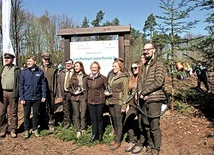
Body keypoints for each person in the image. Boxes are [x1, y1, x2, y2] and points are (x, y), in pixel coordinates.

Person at [138, 43, 166, 155]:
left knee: (154, 125)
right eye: (144, 50)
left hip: (155, 99)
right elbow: (140, 81)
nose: (145, 52)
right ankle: (150, 145)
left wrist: (144, 92)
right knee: (146, 125)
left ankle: (156, 148)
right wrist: (140, 92)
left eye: (148, 49)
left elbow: (158, 81)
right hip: (143, 100)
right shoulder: (144, 66)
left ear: (153, 50)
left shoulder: (159, 64)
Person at [19, 55, 46, 138]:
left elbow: (43, 85)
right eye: (27, 62)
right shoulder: (24, 72)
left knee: (36, 114)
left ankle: (35, 129)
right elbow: (21, 85)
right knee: (26, 115)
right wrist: (22, 97)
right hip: (27, 98)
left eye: (30, 61)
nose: (28, 63)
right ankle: (26, 130)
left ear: (34, 62)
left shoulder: (40, 72)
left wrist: (43, 95)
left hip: (37, 97)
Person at [106, 58, 129, 150]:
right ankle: (116, 138)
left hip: (119, 102)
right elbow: (109, 87)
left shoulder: (123, 77)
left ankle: (118, 141)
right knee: (114, 121)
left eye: (115, 66)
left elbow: (125, 92)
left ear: (120, 67)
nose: (113, 68)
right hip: (111, 101)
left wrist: (124, 105)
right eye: (112, 66)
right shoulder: (111, 76)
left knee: (119, 122)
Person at [0, 53, 20, 138]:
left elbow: (19, 83)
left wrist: (19, 94)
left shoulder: (17, 69)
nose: (6, 59)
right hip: (3, 93)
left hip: (13, 93)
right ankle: (3, 129)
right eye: (5, 58)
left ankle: (13, 129)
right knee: (2, 112)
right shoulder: (3, 68)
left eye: (8, 58)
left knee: (13, 113)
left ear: (12, 59)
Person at [86, 61, 107, 143]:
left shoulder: (103, 78)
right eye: (92, 67)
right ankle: (94, 134)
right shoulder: (88, 78)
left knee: (99, 119)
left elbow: (107, 89)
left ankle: (100, 135)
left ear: (98, 68)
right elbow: (87, 89)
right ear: (90, 69)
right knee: (93, 119)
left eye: (95, 67)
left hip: (100, 102)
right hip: (90, 102)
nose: (94, 69)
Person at [123, 61, 142, 153]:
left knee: (141, 124)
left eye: (135, 68)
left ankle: (140, 142)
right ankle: (131, 140)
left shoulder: (143, 78)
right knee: (127, 121)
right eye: (132, 68)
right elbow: (128, 94)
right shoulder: (131, 79)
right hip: (132, 104)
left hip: (141, 104)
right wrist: (127, 105)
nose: (134, 70)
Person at [68, 61, 88, 138]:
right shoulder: (72, 77)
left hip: (83, 97)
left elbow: (89, 87)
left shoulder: (86, 76)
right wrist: (73, 92)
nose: (76, 67)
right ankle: (78, 130)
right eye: (75, 66)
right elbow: (68, 88)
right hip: (75, 98)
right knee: (76, 114)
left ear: (81, 67)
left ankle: (83, 129)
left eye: (77, 66)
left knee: (83, 114)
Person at [39, 52, 56, 131]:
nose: (47, 60)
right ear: (42, 59)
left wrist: (55, 91)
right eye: (45, 59)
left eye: (48, 59)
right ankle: (42, 124)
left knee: (50, 108)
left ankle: (51, 123)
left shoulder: (53, 68)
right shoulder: (38, 68)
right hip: (40, 92)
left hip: (50, 91)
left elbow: (56, 81)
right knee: (41, 108)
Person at [58, 59, 74, 129]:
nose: (68, 65)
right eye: (66, 63)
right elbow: (59, 83)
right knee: (66, 110)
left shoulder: (75, 72)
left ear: (72, 65)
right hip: (65, 93)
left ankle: (75, 123)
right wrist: (60, 94)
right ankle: (67, 123)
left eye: (69, 63)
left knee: (74, 109)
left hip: (73, 94)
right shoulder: (62, 72)